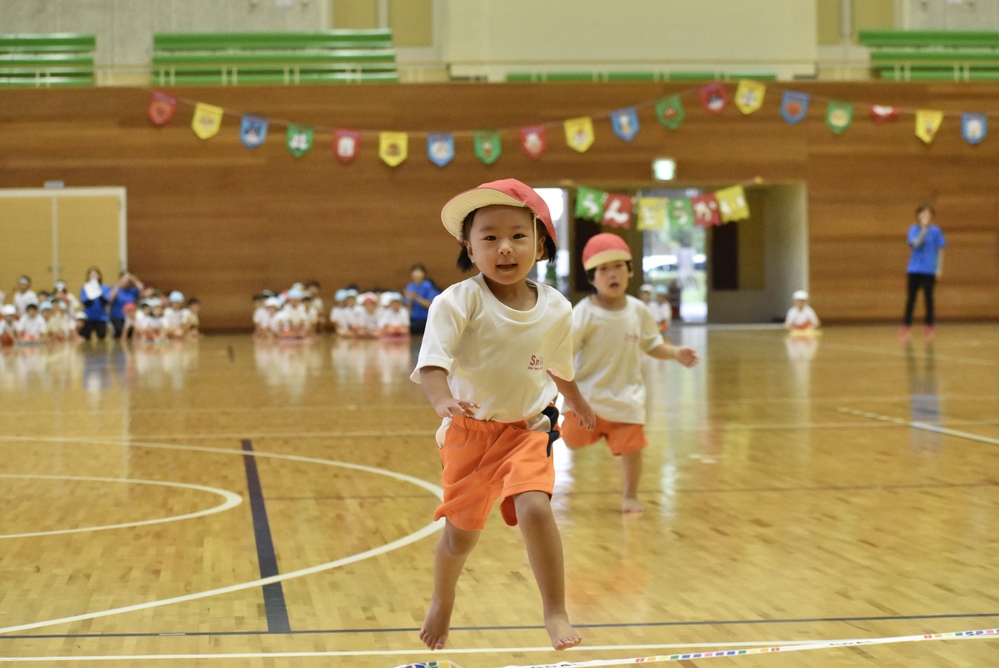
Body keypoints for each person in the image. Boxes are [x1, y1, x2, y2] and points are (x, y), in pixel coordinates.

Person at [411, 178, 595, 652]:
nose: (505, 247)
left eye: (518, 235)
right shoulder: (456, 302)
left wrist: (575, 399)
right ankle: (442, 599)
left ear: (541, 244)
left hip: (529, 428)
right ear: (468, 249)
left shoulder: (556, 306)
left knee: (535, 506)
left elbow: (557, 365)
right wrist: (442, 401)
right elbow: (431, 365)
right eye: (489, 237)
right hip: (469, 435)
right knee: (460, 538)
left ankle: (554, 610)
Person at [559, 233, 698, 514]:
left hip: (627, 400)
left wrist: (674, 353)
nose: (612, 274)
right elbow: (563, 354)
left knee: (633, 451)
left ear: (631, 271)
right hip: (587, 401)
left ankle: (630, 495)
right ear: (592, 278)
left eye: (618, 266)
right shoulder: (583, 313)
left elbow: (651, 344)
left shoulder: (638, 310)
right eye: (603, 269)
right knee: (571, 443)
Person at [901, 203, 946, 342]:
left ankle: (929, 327)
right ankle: (906, 326)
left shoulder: (936, 231)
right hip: (914, 269)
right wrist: (923, 230)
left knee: (929, 299)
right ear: (919, 215)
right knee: (911, 299)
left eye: (928, 214)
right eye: (923, 214)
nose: (926, 216)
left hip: (929, 271)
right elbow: (915, 244)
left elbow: (940, 250)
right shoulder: (913, 229)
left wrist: (939, 268)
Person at [404, 263, 440, 335]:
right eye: (415, 272)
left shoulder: (428, 286)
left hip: (426, 319)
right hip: (413, 319)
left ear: (423, 274)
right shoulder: (410, 286)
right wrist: (410, 300)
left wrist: (417, 298)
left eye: (419, 272)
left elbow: (431, 304)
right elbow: (408, 308)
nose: (417, 275)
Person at [79, 267, 113, 341]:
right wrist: (91, 293)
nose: (94, 277)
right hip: (88, 316)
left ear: (99, 276)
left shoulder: (104, 288)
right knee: (85, 335)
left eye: (95, 275)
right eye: (92, 275)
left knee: (101, 335)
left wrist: (98, 292)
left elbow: (105, 302)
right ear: (88, 277)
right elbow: (85, 303)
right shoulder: (85, 288)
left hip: (101, 317)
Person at [109, 271, 144, 339]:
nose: (126, 282)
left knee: (133, 332)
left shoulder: (132, 290)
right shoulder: (115, 289)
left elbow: (141, 289)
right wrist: (119, 283)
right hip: (118, 316)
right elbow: (111, 298)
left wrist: (133, 279)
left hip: (130, 316)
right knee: (120, 331)